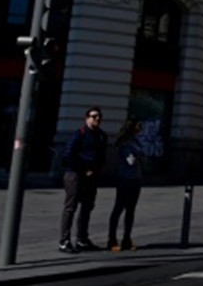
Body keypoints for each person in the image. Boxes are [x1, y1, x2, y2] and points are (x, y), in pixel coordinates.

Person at [59, 108, 108, 253]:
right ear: (86, 118)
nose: (97, 119)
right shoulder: (78, 135)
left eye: (99, 116)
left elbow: (101, 157)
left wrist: (96, 170)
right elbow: (67, 156)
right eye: (93, 116)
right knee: (71, 207)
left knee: (87, 207)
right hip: (75, 175)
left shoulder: (101, 136)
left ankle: (82, 239)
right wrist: (83, 169)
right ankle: (64, 241)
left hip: (91, 176)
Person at [106, 117, 145, 251]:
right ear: (132, 127)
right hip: (125, 178)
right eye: (138, 126)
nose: (140, 129)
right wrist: (140, 157)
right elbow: (131, 161)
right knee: (119, 208)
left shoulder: (135, 141)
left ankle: (127, 238)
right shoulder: (125, 143)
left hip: (135, 178)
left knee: (131, 209)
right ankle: (111, 239)